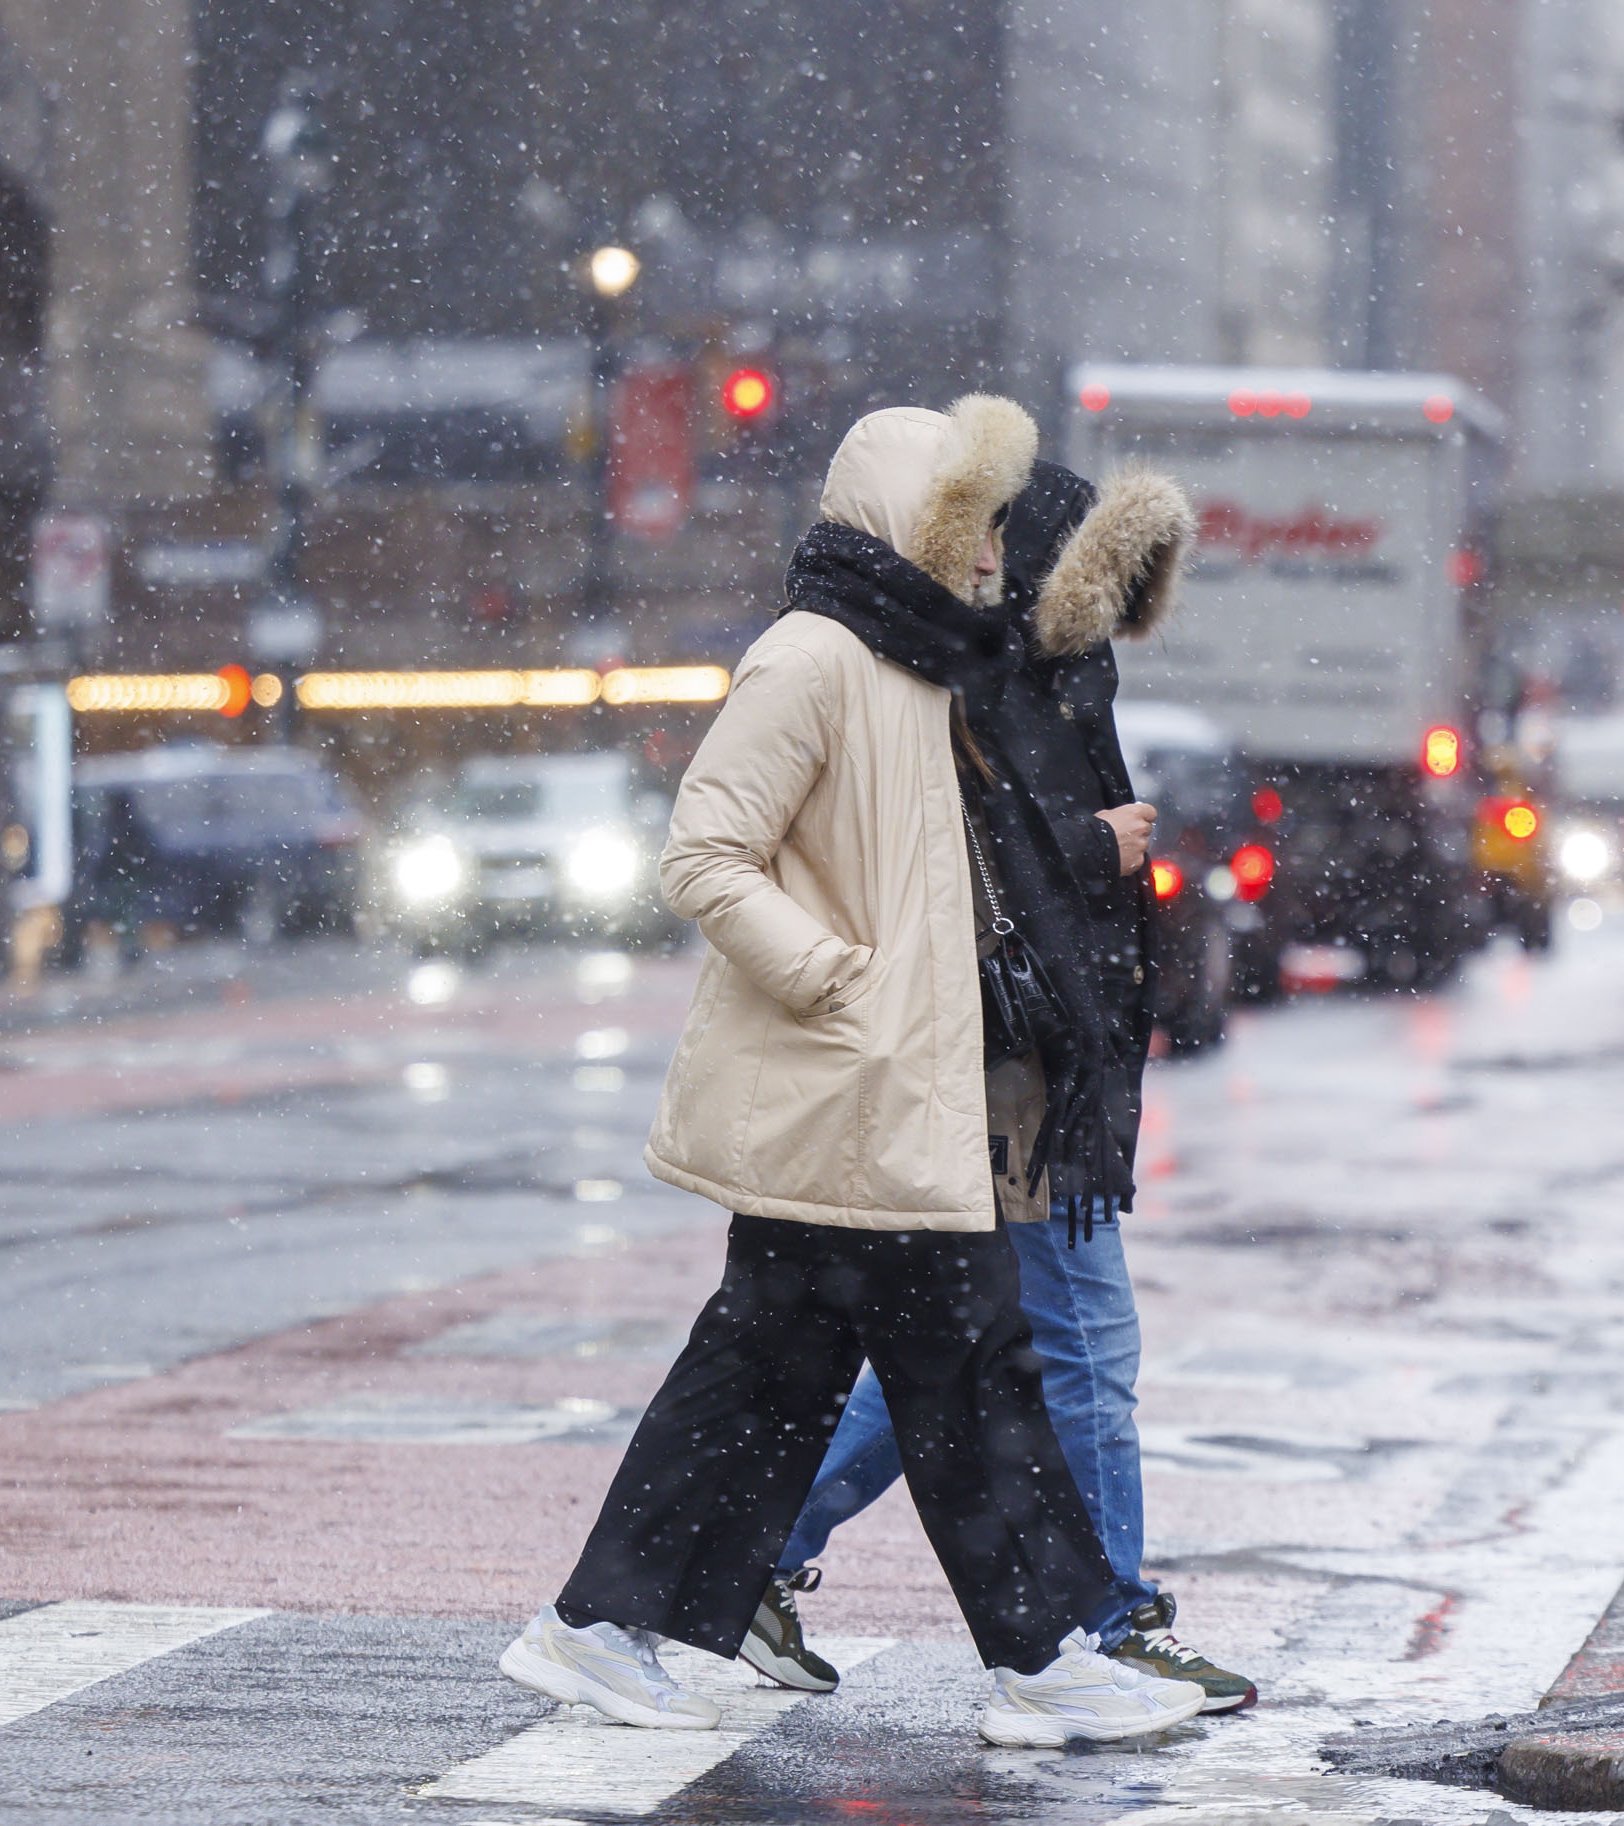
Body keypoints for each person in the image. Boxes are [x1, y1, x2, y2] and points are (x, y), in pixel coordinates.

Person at [497, 397, 1209, 1748]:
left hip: (892, 1100)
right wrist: (840, 980)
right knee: (969, 1373)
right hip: (849, 1095)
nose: (1001, 544)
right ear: (919, 519)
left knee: (766, 1380)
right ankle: (1048, 1655)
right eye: (980, 517)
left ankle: (596, 1625)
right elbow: (703, 854)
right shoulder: (811, 657)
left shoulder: (921, 665)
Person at [738, 459, 1262, 1715]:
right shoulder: (976, 670)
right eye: (1102, 569)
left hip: (1038, 1059)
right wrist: (1097, 845)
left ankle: (744, 1552)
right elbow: (953, 856)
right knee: (1081, 1349)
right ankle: (1111, 1618)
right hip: (1003, 1062)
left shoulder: (1052, 664)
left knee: (951, 1351)